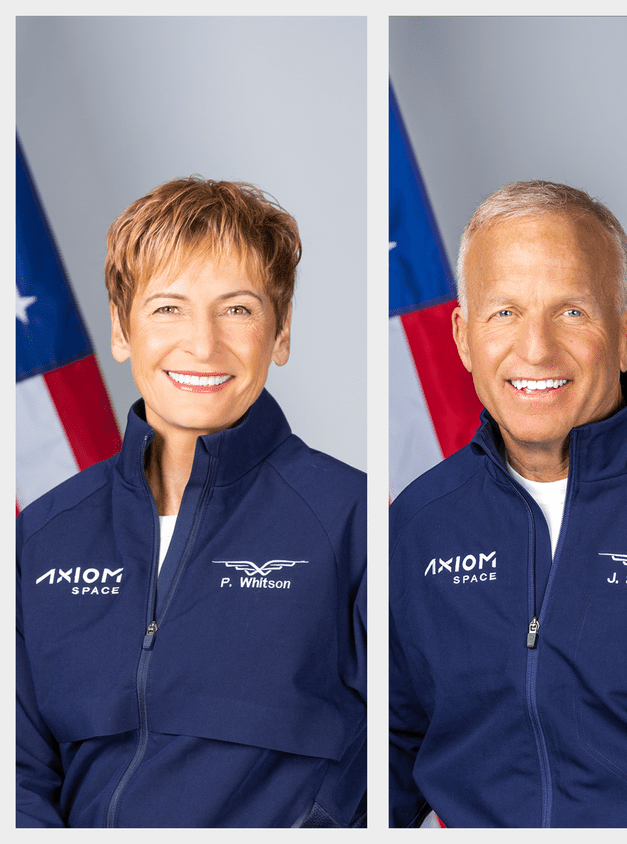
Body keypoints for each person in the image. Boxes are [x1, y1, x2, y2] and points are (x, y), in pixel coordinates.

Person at [16, 178, 368, 828]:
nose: (202, 344)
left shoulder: (356, 523)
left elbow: (401, 744)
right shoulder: (42, 537)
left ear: (281, 332)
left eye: (237, 309)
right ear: (121, 330)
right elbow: (15, 771)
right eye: (167, 309)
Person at [388, 181, 627, 828]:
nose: (537, 349)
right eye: (504, 313)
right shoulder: (415, 524)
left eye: (572, 311)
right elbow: (387, 756)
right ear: (463, 338)